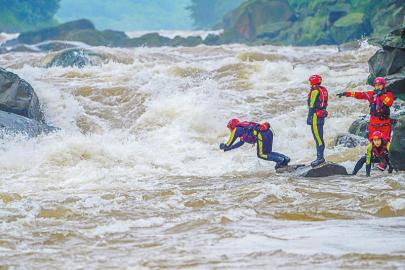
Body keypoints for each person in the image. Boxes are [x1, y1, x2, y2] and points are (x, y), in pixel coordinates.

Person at [337, 77, 394, 141]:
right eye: (376, 85)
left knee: (385, 142)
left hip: (384, 124)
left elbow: (389, 103)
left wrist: (381, 95)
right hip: (373, 124)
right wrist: (346, 93)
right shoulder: (371, 94)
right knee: (372, 142)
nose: (378, 87)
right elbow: (359, 94)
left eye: (380, 85)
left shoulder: (388, 94)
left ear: (383, 85)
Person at [220, 119, 290, 169]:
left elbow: (228, 144)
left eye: (230, 128)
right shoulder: (243, 128)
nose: (230, 130)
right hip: (268, 132)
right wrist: (228, 149)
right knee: (267, 153)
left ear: (232, 126)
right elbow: (241, 143)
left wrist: (223, 146)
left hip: (261, 135)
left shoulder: (236, 130)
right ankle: (285, 159)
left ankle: (280, 161)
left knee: (261, 154)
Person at [307, 74, 329, 167]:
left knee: (318, 138)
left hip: (316, 116)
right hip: (321, 115)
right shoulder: (322, 89)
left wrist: (309, 117)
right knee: (320, 137)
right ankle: (320, 157)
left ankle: (320, 158)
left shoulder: (315, 91)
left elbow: (311, 105)